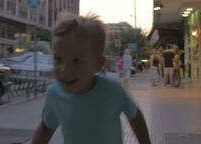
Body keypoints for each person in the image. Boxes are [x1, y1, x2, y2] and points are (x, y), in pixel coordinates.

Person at [31, 13, 151, 144]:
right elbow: (46, 128)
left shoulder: (113, 91)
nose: (64, 70)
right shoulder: (54, 95)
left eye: (76, 60)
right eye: (58, 59)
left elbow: (135, 116)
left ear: (98, 64)